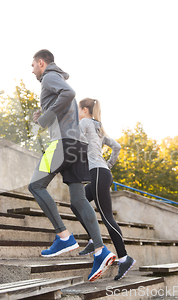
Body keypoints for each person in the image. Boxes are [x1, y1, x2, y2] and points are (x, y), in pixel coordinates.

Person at [28, 50, 116, 282]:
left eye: (33, 65)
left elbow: (69, 93)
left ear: (41, 62)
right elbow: (63, 103)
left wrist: (46, 118)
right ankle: (100, 250)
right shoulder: (54, 79)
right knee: (78, 199)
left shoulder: (48, 76)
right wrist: (44, 114)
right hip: (77, 146)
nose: (32, 70)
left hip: (62, 144)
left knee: (36, 186)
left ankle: (64, 236)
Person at [70, 98, 136, 281]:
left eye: (78, 109)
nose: (77, 112)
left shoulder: (84, 122)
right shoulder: (98, 128)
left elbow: (73, 140)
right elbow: (117, 146)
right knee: (76, 203)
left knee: (107, 217)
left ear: (84, 110)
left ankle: (124, 258)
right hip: (101, 173)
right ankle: (93, 240)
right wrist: (109, 165)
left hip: (98, 173)